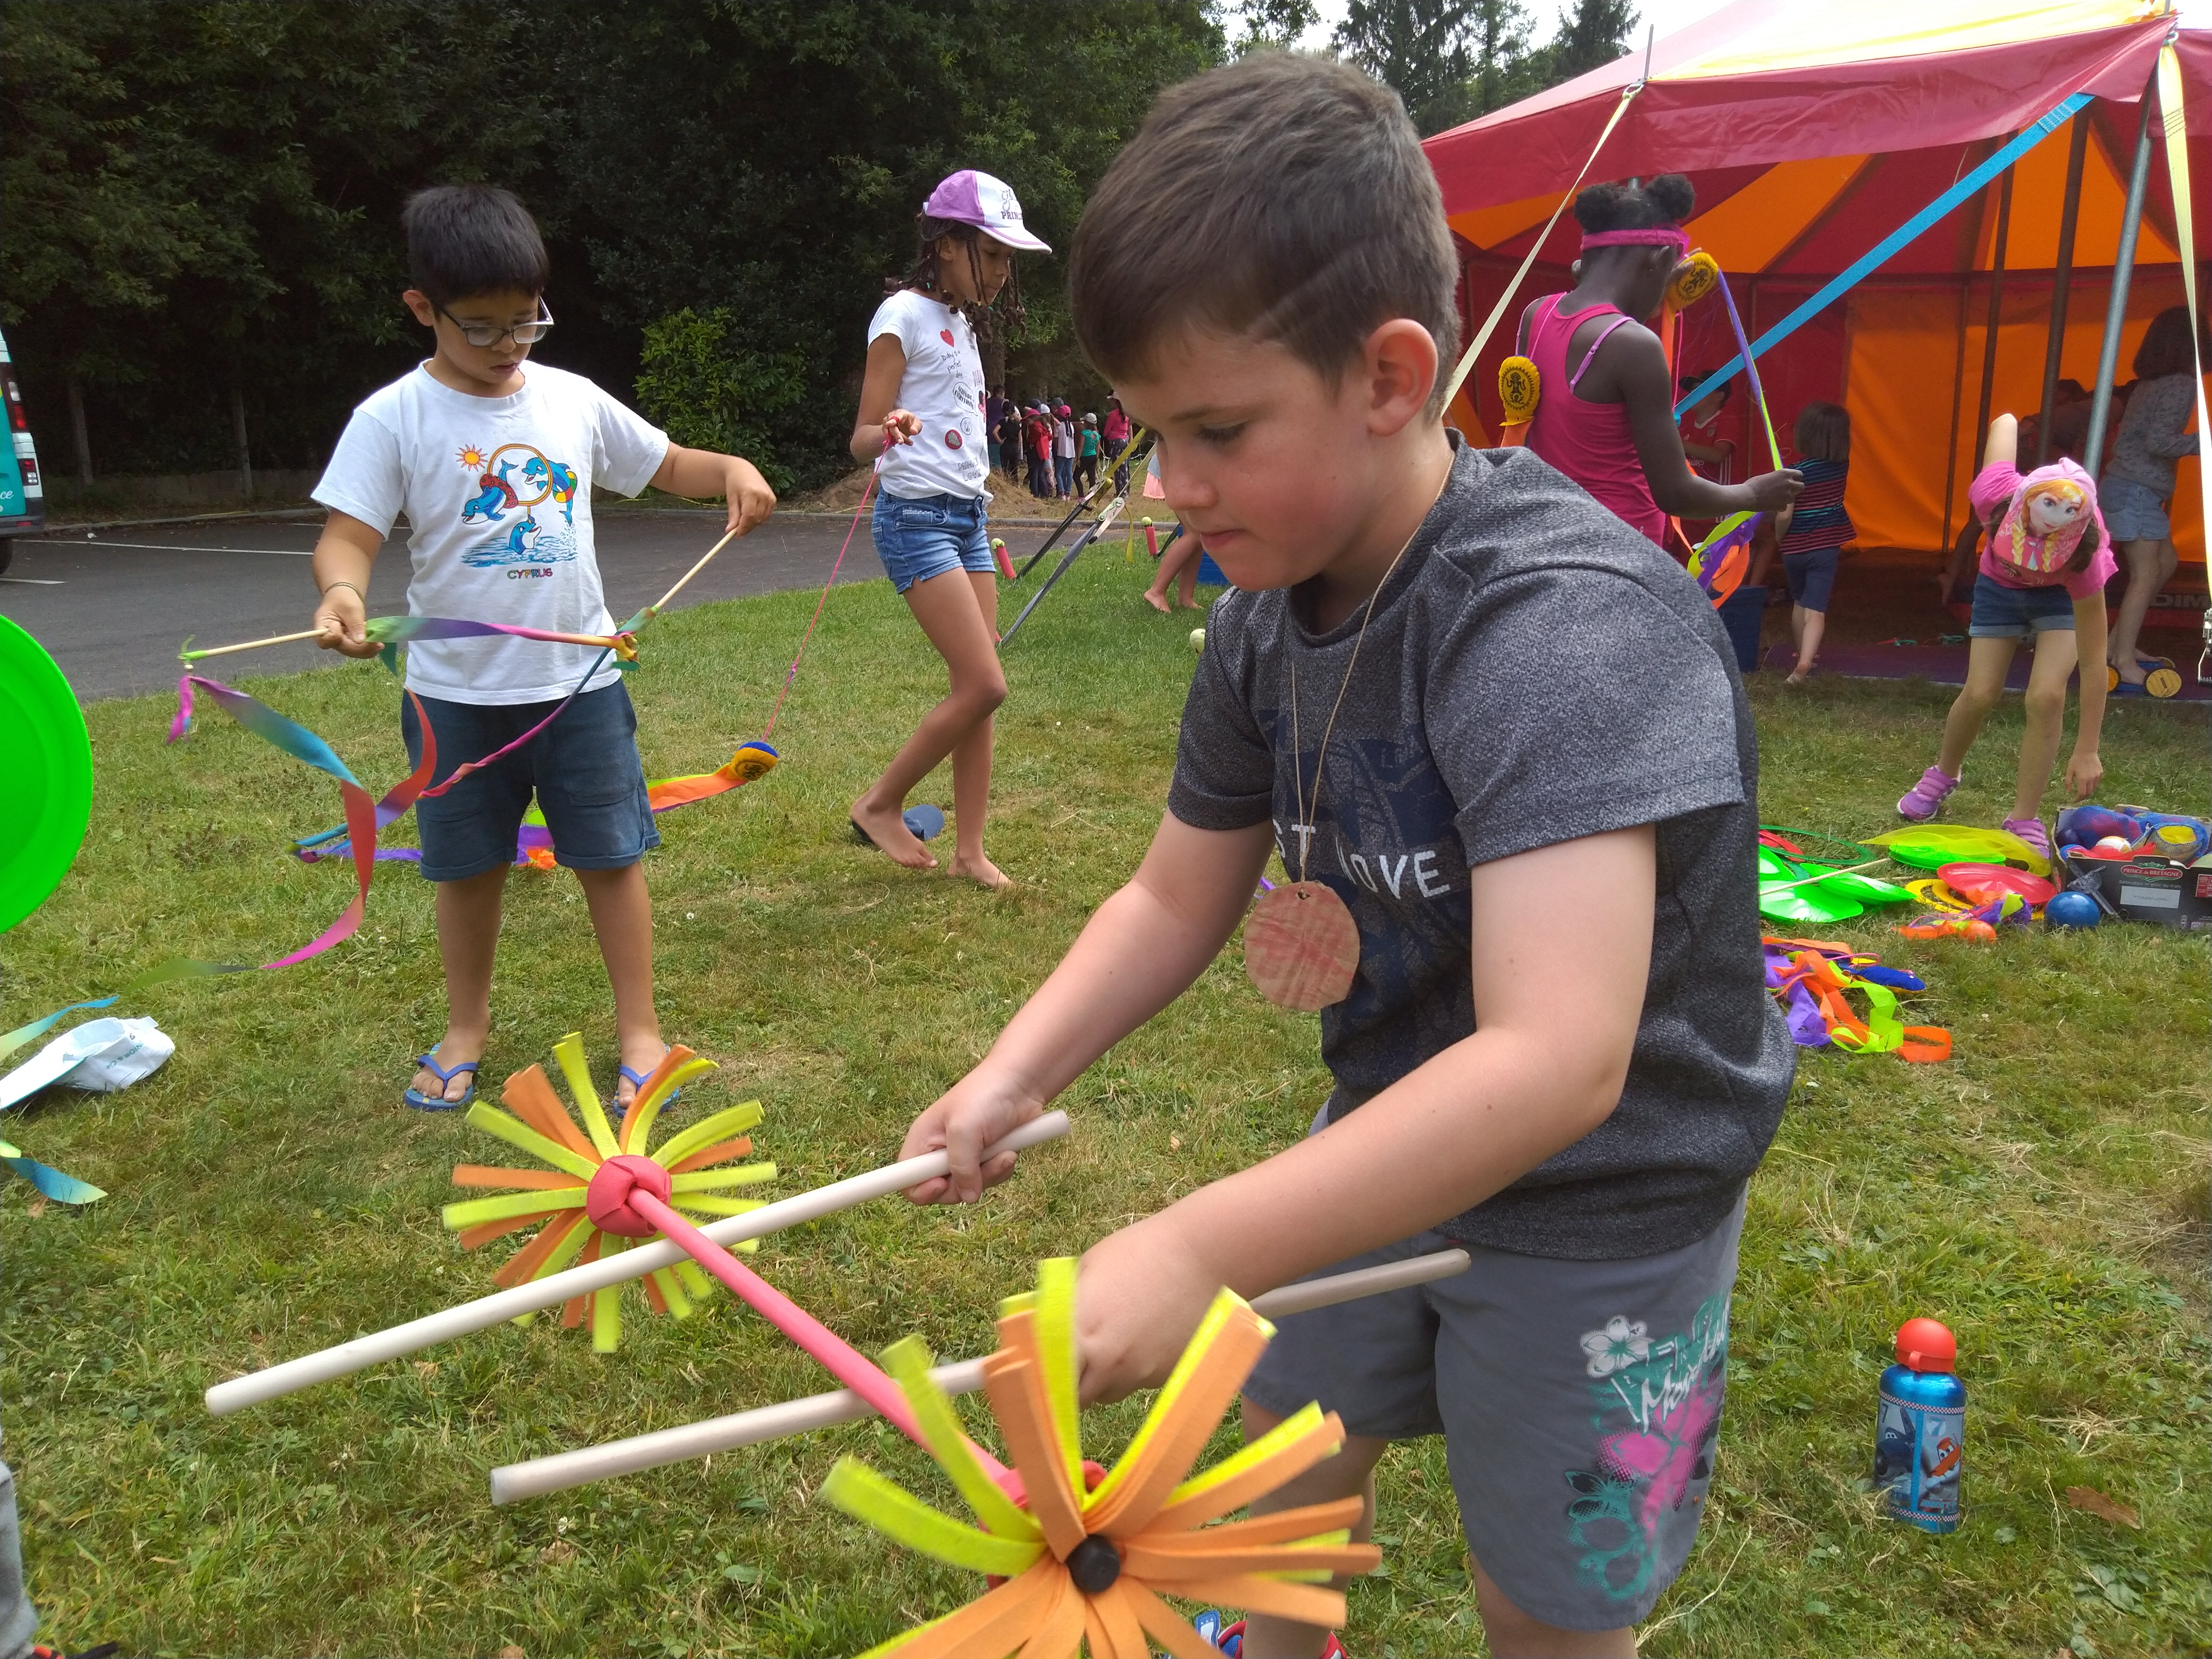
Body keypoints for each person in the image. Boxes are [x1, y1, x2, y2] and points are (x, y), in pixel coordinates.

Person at [899, 54, 1789, 1659]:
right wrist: (1013, 1070)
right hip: (1380, 1149)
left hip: (1601, 1212)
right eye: (1150, 432)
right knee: (1260, 1513)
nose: (1169, 486)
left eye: (1216, 431)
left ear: (1387, 375)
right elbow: (1176, 888)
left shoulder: (1560, 629)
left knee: (1551, 1603)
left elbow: (1557, 1057)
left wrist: (1194, 1238)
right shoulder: (1261, 620)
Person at [310, 185, 775, 1111]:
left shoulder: (570, 400)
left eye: (526, 323)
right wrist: (341, 592)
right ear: (422, 310)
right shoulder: (392, 418)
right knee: (466, 866)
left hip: (581, 683)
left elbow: (665, 463)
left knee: (611, 855)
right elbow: (347, 535)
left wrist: (728, 469)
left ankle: (640, 1030)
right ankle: (465, 1028)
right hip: (455, 698)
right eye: (480, 328)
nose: (508, 346)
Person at [848, 169, 1044, 889]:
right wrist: (889, 430)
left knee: (977, 687)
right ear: (949, 245)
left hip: (967, 520)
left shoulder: (960, 325)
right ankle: (878, 803)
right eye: (992, 255)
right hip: (916, 520)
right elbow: (861, 439)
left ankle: (969, 851)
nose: (1002, 271)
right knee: (986, 685)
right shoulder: (899, 315)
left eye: (1007, 259)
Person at [1516, 176, 1800, 546]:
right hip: (1620, 551)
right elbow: (1675, 493)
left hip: (1550, 536)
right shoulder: (1634, 346)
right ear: (1658, 259)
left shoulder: (1537, 315)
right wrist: (1753, 494)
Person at [1896, 413, 2113, 859]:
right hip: (1998, 587)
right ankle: (1943, 773)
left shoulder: (2086, 556)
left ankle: (2024, 817)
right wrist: (2013, 419)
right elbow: (2002, 425)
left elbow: (2095, 661)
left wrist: (2087, 748)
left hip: (2059, 600)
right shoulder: (1994, 494)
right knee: (1979, 693)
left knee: (2047, 697)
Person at [2102, 306, 2203, 691]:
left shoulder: (2149, 383)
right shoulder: (2180, 383)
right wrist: (2204, 443)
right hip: (2137, 489)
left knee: (2165, 564)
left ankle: (2116, 646)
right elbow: (2160, 442)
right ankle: (2122, 659)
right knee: (2145, 575)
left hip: (2130, 485)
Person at [1775, 401, 1853, 685]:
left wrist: (1778, 537)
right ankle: (1806, 662)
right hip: (1824, 548)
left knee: (1799, 601)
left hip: (1794, 548)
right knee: (1816, 608)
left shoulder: (1794, 473)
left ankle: (1802, 656)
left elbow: (1785, 514)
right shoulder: (1841, 467)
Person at [1103, 395, 1134, 493]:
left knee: (1117, 467)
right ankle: (1126, 490)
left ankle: (1119, 491)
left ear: (1115, 402)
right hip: (1124, 441)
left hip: (1115, 442)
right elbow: (1129, 424)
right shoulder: (1126, 414)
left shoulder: (1113, 415)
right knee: (1124, 467)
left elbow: (1106, 432)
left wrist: (1110, 434)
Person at [1053, 401, 1078, 498]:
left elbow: (1056, 439)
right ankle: (1068, 493)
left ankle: (1062, 492)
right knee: (1069, 473)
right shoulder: (1071, 426)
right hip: (1071, 452)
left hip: (1062, 452)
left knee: (1058, 473)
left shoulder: (1059, 427)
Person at [1077, 412, 1101, 493]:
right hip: (1093, 456)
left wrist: (1078, 458)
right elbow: (1097, 448)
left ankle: (1081, 494)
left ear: (1088, 423)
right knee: (1092, 477)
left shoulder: (1084, 434)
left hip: (1084, 457)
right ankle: (1092, 494)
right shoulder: (1097, 435)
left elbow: (1081, 446)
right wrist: (1097, 458)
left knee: (1076, 476)